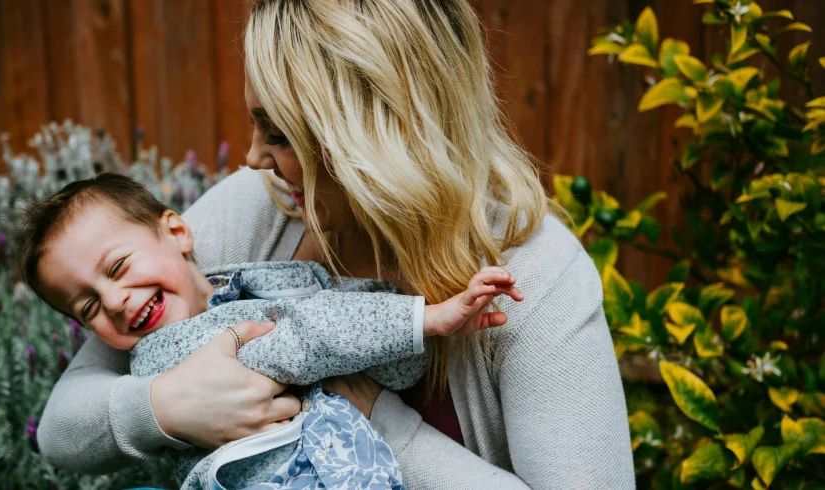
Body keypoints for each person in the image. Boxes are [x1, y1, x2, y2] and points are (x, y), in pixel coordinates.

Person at [37, 0, 635, 488]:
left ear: (375, 137)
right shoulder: (263, 206)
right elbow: (63, 425)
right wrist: (167, 407)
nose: (253, 157)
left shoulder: (535, 274)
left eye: (278, 135)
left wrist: (375, 419)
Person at [19, 174, 522, 489]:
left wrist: (401, 345)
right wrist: (425, 319)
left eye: (118, 268)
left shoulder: (250, 286)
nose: (114, 302)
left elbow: (378, 361)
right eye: (88, 307)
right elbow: (303, 338)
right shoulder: (168, 353)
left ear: (177, 232)